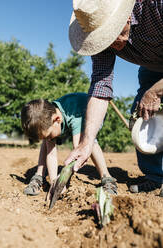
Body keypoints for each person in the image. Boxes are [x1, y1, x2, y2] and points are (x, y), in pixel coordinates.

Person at [66, 0, 163, 197]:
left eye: (112, 33)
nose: (111, 44)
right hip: (152, 67)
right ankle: (155, 178)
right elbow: (100, 88)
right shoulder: (102, 40)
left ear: (126, 16)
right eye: (103, 38)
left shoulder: (157, 6)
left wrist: (155, 92)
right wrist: (86, 143)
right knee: (140, 115)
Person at [21, 92, 117, 196]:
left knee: (87, 141)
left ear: (57, 120)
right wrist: (54, 182)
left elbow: (78, 154)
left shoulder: (75, 118)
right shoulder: (47, 118)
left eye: (48, 135)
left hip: (91, 111)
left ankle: (107, 178)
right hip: (67, 115)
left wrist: (62, 180)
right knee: (47, 142)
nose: (49, 138)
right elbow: (51, 154)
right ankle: (39, 177)